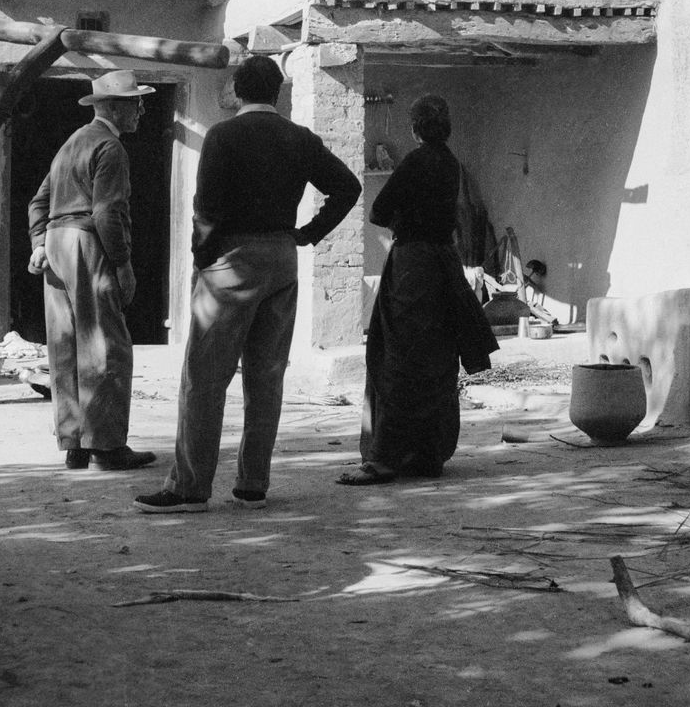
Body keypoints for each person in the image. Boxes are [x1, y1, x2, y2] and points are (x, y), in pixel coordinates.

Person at [135, 55, 361, 514]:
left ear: (237, 91)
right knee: (267, 376)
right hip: (281, 257)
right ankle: (252, 484)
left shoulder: (223, 135)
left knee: (204, 377)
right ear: (277, 91)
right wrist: (308, 233)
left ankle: (190, 487)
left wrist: (202, 257)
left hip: (232, 260)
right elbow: (348, 187)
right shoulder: (299, 138)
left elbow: (207, 206)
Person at [338, 94, 498, 486]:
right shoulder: (451, 164)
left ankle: (384, 459)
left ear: (415, 129)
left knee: (397, 358)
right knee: (436, 358)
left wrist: (403, 221)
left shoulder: (416, 160)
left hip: (412, 267)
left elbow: (378, 211)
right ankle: (427, 454)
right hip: (444, 264)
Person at [28, 68, 158, 472]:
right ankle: (106, 445)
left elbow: (38, 202)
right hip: (87, 242)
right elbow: (108, 212)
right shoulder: (110, 147)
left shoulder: (71, 144)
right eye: (135, 103)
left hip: (56, 244)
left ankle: (75, 443)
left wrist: (38, 244)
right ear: (116, 109)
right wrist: (122, 265)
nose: (140, 111)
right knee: (106, 345)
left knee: (65, 345)